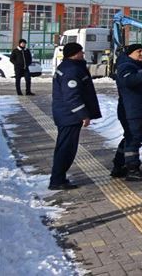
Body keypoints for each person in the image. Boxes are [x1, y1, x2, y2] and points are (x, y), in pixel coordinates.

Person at [49, 42, 101, 190]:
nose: (83, 54)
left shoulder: (67, 67)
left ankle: (58, 177)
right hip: (69, 116)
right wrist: (83, 115)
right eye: (81, 52)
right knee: (66, 148)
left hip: (65, 114)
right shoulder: (71, 70)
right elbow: (72, 96)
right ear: (74, 53)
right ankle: (57, 180)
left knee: (64, 147)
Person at [112, 44, 142, 181]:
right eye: (138, 51)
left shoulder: (137, 65)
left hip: (137, 108)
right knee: (134, 140)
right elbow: (128, 81)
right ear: (129, 54)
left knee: (129, 137)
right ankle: (132, 169)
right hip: (132, 110)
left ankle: (119, 166)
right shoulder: (126, 66)